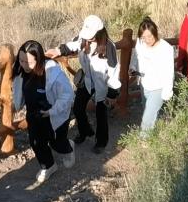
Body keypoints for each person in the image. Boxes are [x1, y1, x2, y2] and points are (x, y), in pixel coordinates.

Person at [46, 15, 121, 154]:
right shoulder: (83, 39)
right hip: (87, 81)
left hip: (102, 85)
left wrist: (112, 93)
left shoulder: (109, 47)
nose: (88, 38)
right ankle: (85, 131)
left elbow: (114, 71)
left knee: (101, 114)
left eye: (91, 36)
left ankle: (101, 142)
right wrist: (58, 50)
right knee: (78, 107)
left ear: (99, 32)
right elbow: (72, 45)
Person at [12, 40, 75, 183]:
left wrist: (52, 111)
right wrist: (18, 104)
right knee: (36, 142)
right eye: (21, 60)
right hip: (34, 113)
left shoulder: (52, 72)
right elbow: (19, 90)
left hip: (54, 114)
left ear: (39, 59)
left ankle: (68, 148)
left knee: (57, 143)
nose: (24, 65)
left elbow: (67, 95)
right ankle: (49, 165)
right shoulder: (21, 71)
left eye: (29, 62)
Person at [130, 17, 175, 134]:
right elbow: (136, 55)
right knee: (149, 113)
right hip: (145, 84)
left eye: (149, 36)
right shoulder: (140, 43)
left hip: (159, 87)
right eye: (144, 37)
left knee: (147, 119)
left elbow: (169, 71)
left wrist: (167, 91)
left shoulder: (166, 48)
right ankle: (159, 135)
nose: (147, 40)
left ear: (155, 32)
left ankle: (144, 140)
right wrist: (133, 67)